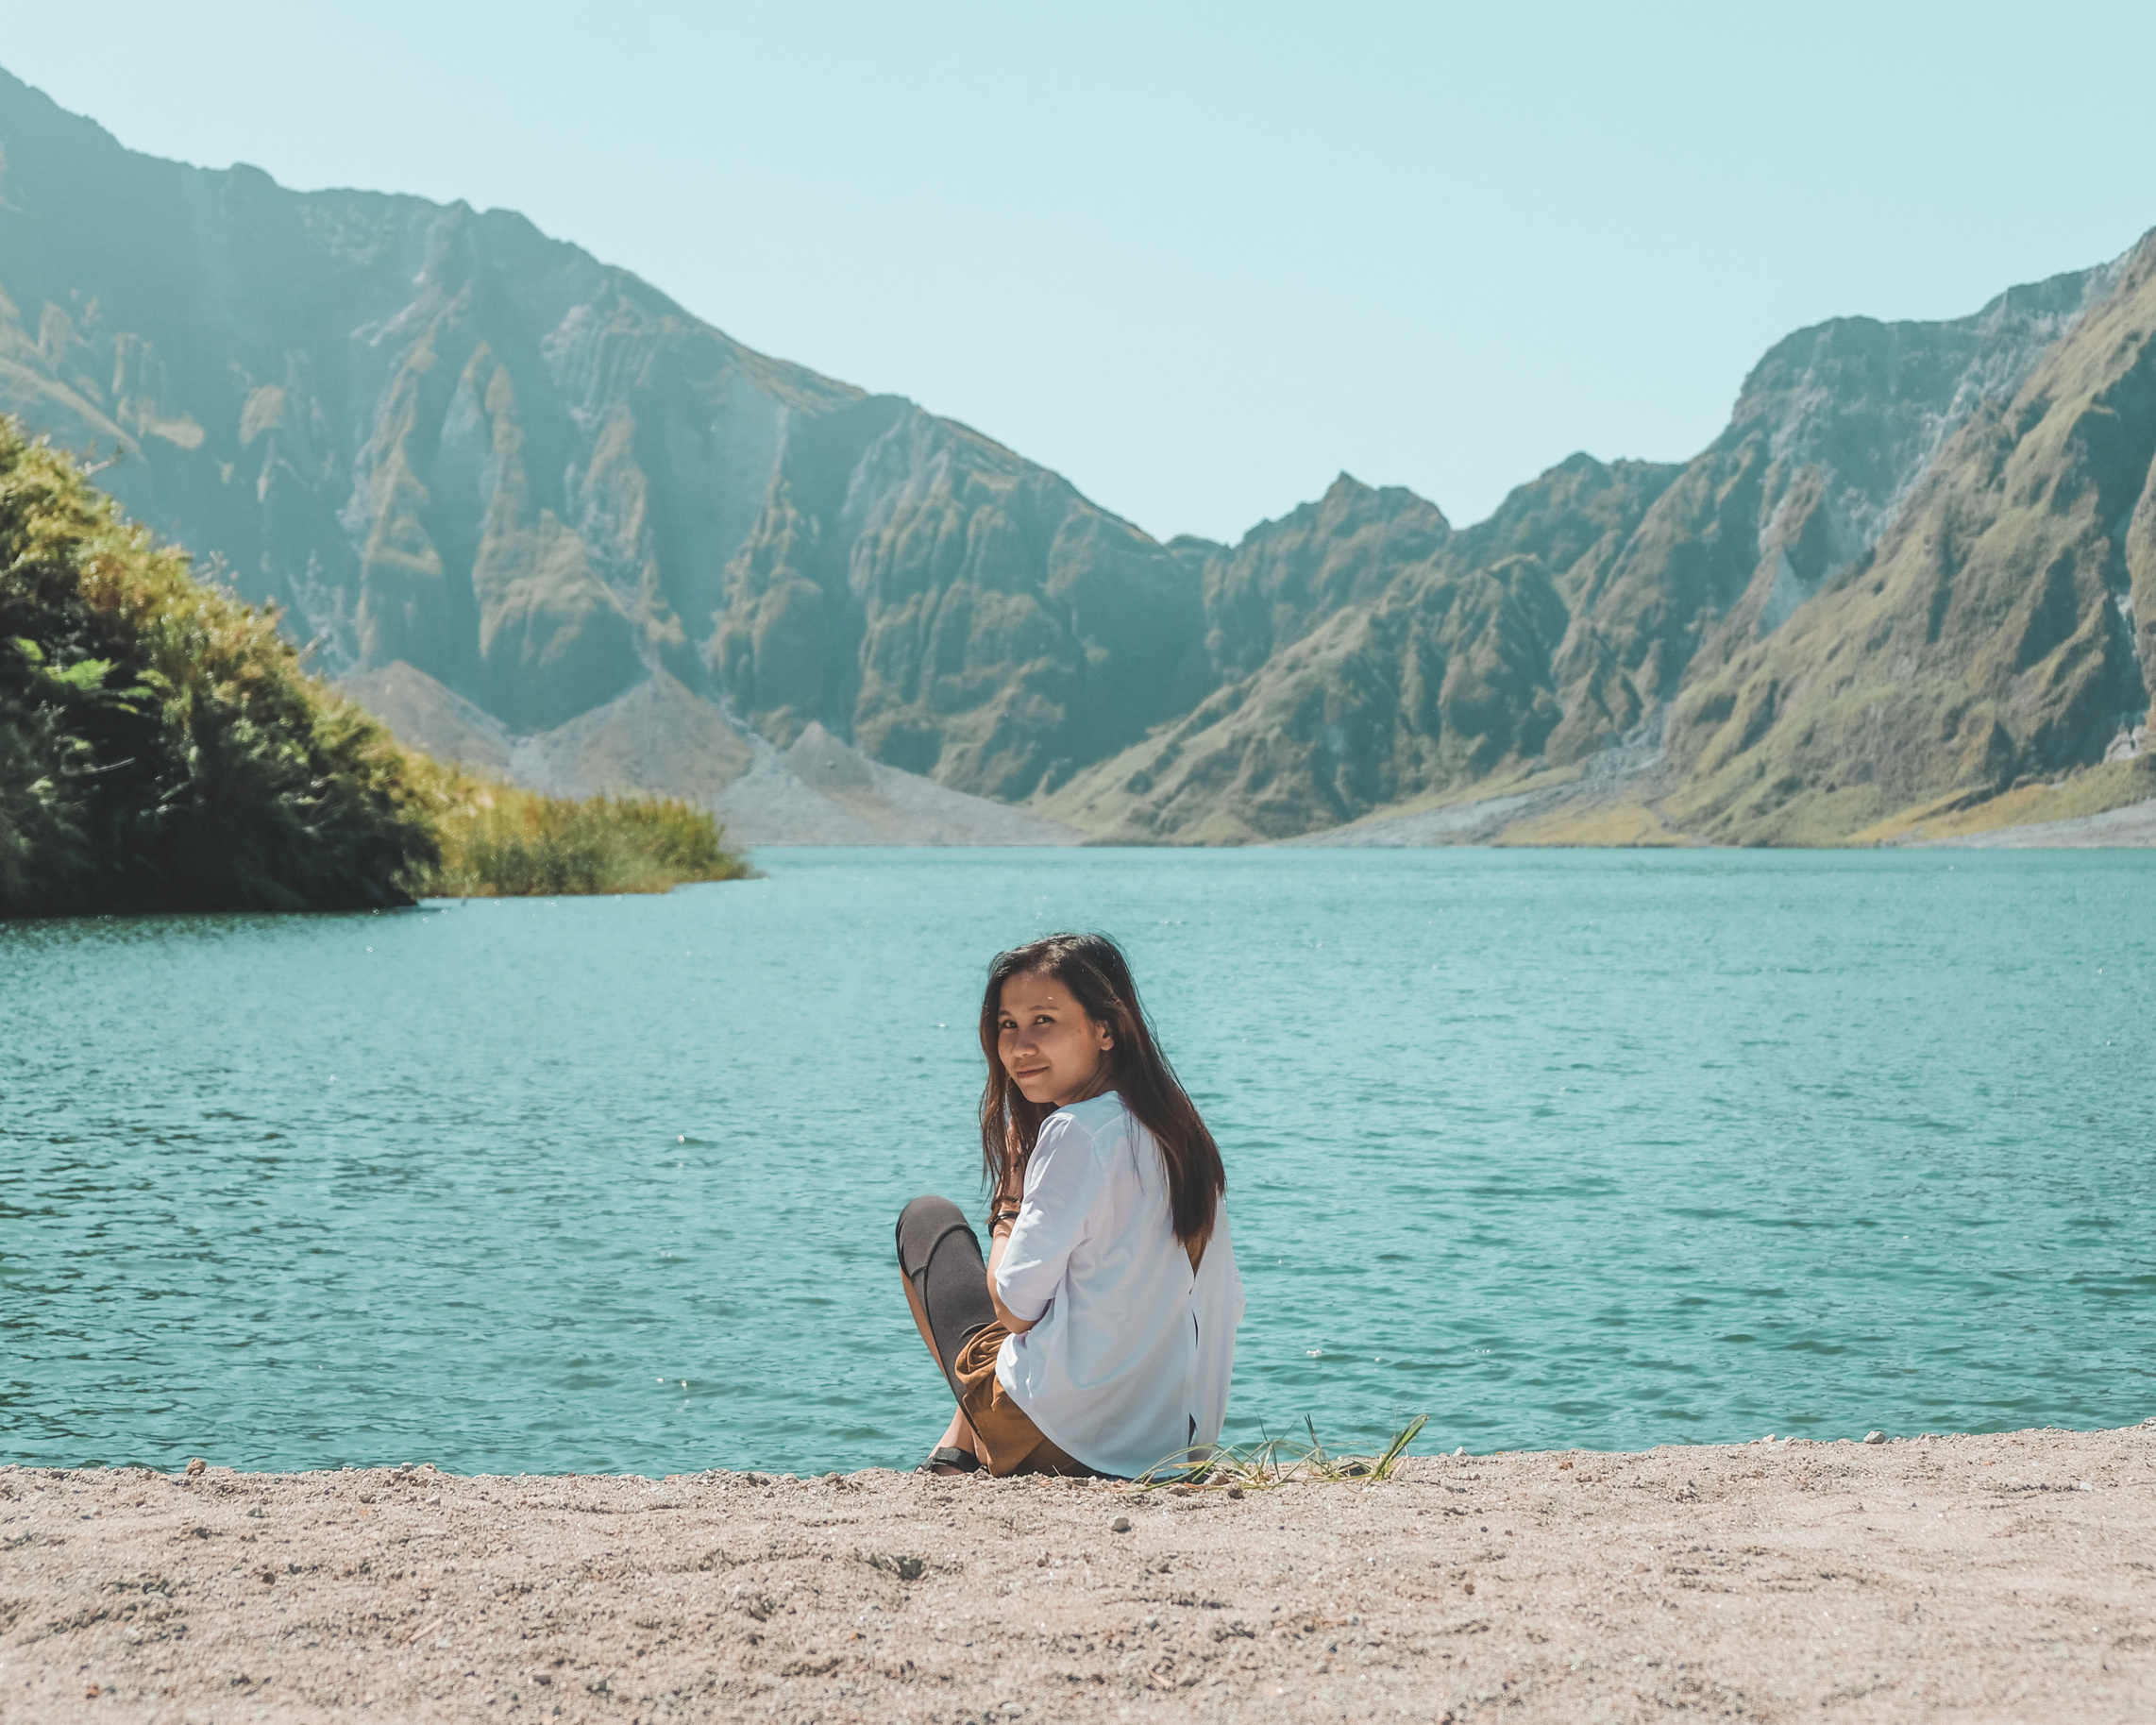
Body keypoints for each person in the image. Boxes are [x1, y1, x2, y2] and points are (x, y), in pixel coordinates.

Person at [894, 932, 1244, 1479]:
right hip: (1173, 1447)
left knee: (927, 1219)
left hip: (1060, 1441)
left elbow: (1012, 1309)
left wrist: (1011, 1200)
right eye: (1008, 1024)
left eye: (1044, 1021)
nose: (1019, 1046)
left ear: (1106, 1029)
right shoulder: (1181, 1137)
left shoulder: (1076, 1131)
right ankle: (953, 1449)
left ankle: (962, 1449)